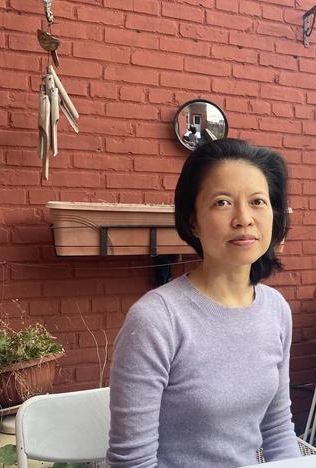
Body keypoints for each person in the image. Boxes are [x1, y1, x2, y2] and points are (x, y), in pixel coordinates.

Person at [107, 139, 301, 467]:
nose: (243, 218)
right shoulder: (156, 320)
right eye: (223, 202)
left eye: (257, 201)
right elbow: (131, 462)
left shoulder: (276, 310)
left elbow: (278, 429)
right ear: (193, 221)